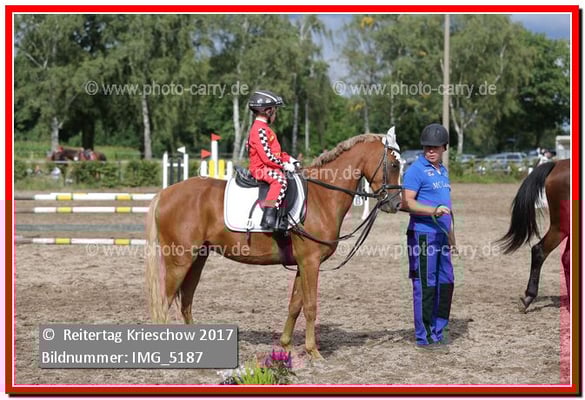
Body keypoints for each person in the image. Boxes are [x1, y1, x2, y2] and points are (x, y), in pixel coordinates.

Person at [401, 123, 455, 351]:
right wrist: (433, 211)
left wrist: (451, 236)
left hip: (442, 235)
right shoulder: (416, 170)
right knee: (425, 284)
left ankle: (438, 330)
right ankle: (424, 337)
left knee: (447, 281)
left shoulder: (442, 170)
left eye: (435, 147)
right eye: (427, 147)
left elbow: (447, 204)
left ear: (444, 147)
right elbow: (406, 202)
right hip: (424, 235)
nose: (430, 150)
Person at [246, 90, 299, 231]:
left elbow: (276, 153)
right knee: (280, 180)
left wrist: (290, 159)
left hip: (268, 166)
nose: (275, 113)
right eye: (275, 110)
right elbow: (267, 157)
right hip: (260, 169)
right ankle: (268, 217)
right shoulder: (259, 129)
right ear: (268, 111)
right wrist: (284, 165)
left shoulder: (265, 129)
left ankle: (283, 215)